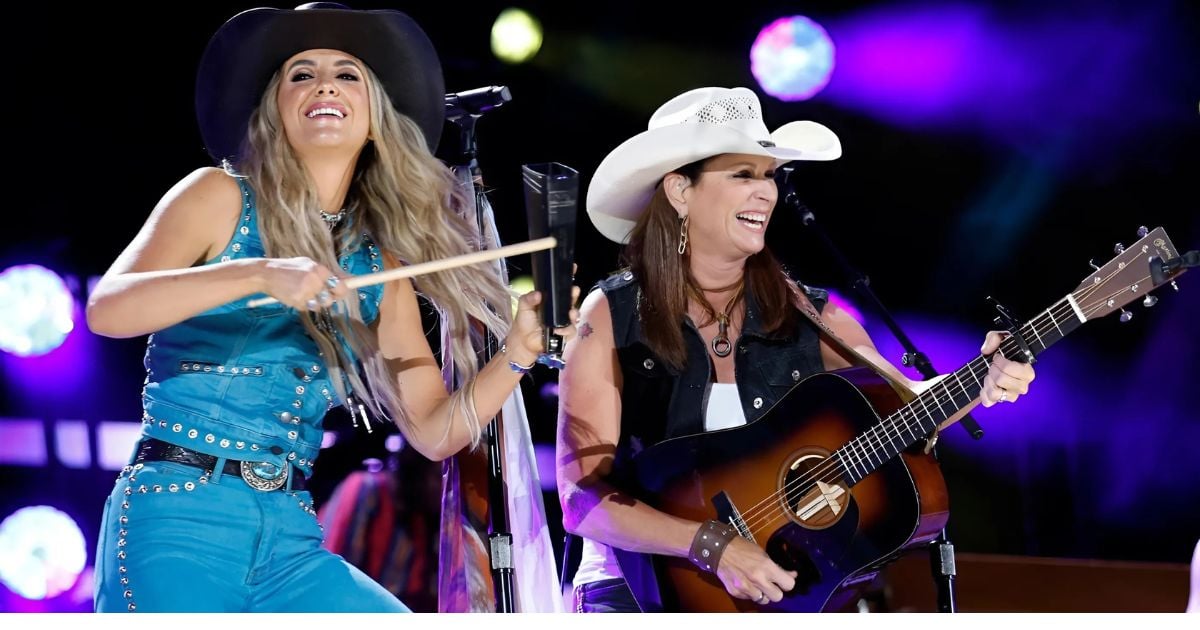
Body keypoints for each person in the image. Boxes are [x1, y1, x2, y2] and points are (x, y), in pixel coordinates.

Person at [86, 3, 574, 612]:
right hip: (179, 514)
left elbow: (434, 431)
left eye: (347, 74)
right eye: (301, 74)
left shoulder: (379, 266)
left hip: (290, 532)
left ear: (374, 117)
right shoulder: (216, 194)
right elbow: (107, 310)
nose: (324, 84)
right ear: (275, 110)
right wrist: (257, 272)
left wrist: (519, 353)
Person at [555, 86, 1037, 612]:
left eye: (769, 176)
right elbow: (581, 501)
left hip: (783, 595)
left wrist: (984, 380)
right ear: (679, 190)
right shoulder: (613, 313)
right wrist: (711, 546)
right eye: (743, 174)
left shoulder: (810, 312)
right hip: (636, 594)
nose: (766, 192)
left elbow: (907, 402)